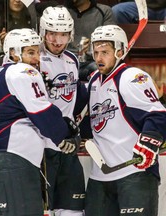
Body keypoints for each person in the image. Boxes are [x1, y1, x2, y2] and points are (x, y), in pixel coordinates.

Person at [0, 28, 80, 216]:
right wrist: (64, 135)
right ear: (13, 52)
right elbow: (42, 112)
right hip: (11, 159)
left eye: (37, 51)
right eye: (30, 52)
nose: (37, 58)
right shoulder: (22, 71)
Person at [84, 24, 166, 216]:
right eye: (96, 52)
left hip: (134, 173)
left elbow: (158, 114)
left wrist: (149, 140)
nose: (98, 58)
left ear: (120, 51)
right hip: (100, 177)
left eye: (105, 52)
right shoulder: (94, 80)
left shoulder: (131, 77)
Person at [39, 6, 88, 216]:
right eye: (52, 33)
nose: (58, 41)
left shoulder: (72, 59)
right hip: (41, 147)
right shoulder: (33, 58)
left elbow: (74, 100)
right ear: (42, 32)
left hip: (68, 146)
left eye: (63, 34)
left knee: (73, 209)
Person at [65, 0, 116, 82]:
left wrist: (92, 49)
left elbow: (110, 43)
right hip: (65, 62)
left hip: (90, 62)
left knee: (101, 67)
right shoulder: (60, 11)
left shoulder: (104, 11)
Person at [0, 0, 37, 69]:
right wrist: (0, 45)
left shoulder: (32, 20)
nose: (17, 0)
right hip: (2, 64)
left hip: (28, 63)